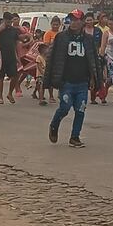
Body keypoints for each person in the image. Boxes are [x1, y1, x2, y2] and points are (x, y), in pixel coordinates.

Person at [46, 9, 98, 148]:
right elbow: (52, 58)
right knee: (64, 107)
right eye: (71, 20)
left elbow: (93, 60)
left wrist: (94, 78)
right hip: (66, 81)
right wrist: (51, 79)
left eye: (76, 20)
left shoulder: (88, 39)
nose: (73, 23)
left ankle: (75, 137)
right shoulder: (61, 37)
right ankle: (54, 125)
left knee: (80, 110)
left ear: (82, 22)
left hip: (82, 81)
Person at [0, 12, 29, 104]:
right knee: (0, 77)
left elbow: (17, 42)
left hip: (11, 56)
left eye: (11, 21)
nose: (9, 23)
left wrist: (26, 38)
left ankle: (10, 93)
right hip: (0, 56)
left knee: (15, 76)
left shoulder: (13, 30)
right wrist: (0, 30)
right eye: (8, 21)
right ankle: (0, 97)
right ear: (4, 20)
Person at [84, 12, 106, 105]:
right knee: (85, 77)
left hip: (95, 56)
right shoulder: (82, 30)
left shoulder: (98, 31)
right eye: (87, 20)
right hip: (84, 56)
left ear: (93, 20)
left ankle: (94, 97)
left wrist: (101, 54)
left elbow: (102, 44)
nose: (89, 22)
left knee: (97, 76)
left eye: (90, 20)